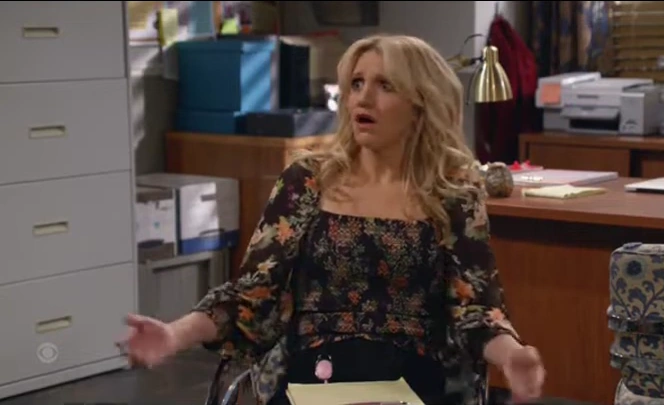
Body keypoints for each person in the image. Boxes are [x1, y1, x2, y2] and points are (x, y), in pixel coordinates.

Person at [119, 34, 545, 405]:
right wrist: (174, 336)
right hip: (313, 374)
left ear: (421, 104)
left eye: (384, 85)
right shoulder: (306, 181)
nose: (363, 98)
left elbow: (475, 310)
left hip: (416, 381)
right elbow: (252, 296)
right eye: (356, 84)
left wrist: (511, 355)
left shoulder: (453, 195)